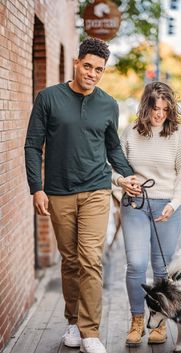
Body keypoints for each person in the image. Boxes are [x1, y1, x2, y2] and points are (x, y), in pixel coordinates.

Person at [24, 37, 137, 353]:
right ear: (76, 63)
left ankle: (90, 332)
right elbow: (33, 146)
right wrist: (37, 188)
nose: (92, 73)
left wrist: (126, 175)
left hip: (96, 191)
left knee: (90, 259)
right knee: (70, 261)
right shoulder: (48, 98)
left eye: (99, 69)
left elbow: (112, 146)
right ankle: (72, 322)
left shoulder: (108, 104)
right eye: (88, 66)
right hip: (58, 193)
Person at [113, 81, 181, 346]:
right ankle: (137, 320)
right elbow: (113, 167)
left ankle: (157, 320)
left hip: (167, 208)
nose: (159, 114)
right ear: (145, 106)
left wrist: (175, 202)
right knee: (136, 263)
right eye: (155, 108)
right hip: (135, 205)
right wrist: (122, 182)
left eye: (164, 109)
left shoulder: (179, 133)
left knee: (162, 268)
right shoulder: (130, 132)